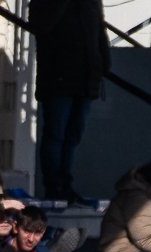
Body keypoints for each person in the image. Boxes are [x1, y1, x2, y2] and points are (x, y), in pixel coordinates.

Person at [29, 0, 108, 202]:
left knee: (72, 137)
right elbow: (40, 26)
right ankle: (54, 187)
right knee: (56, 135)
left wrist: (104, 63)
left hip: (85, 78)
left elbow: (99, 28)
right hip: (58, 78)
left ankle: (65, 185)